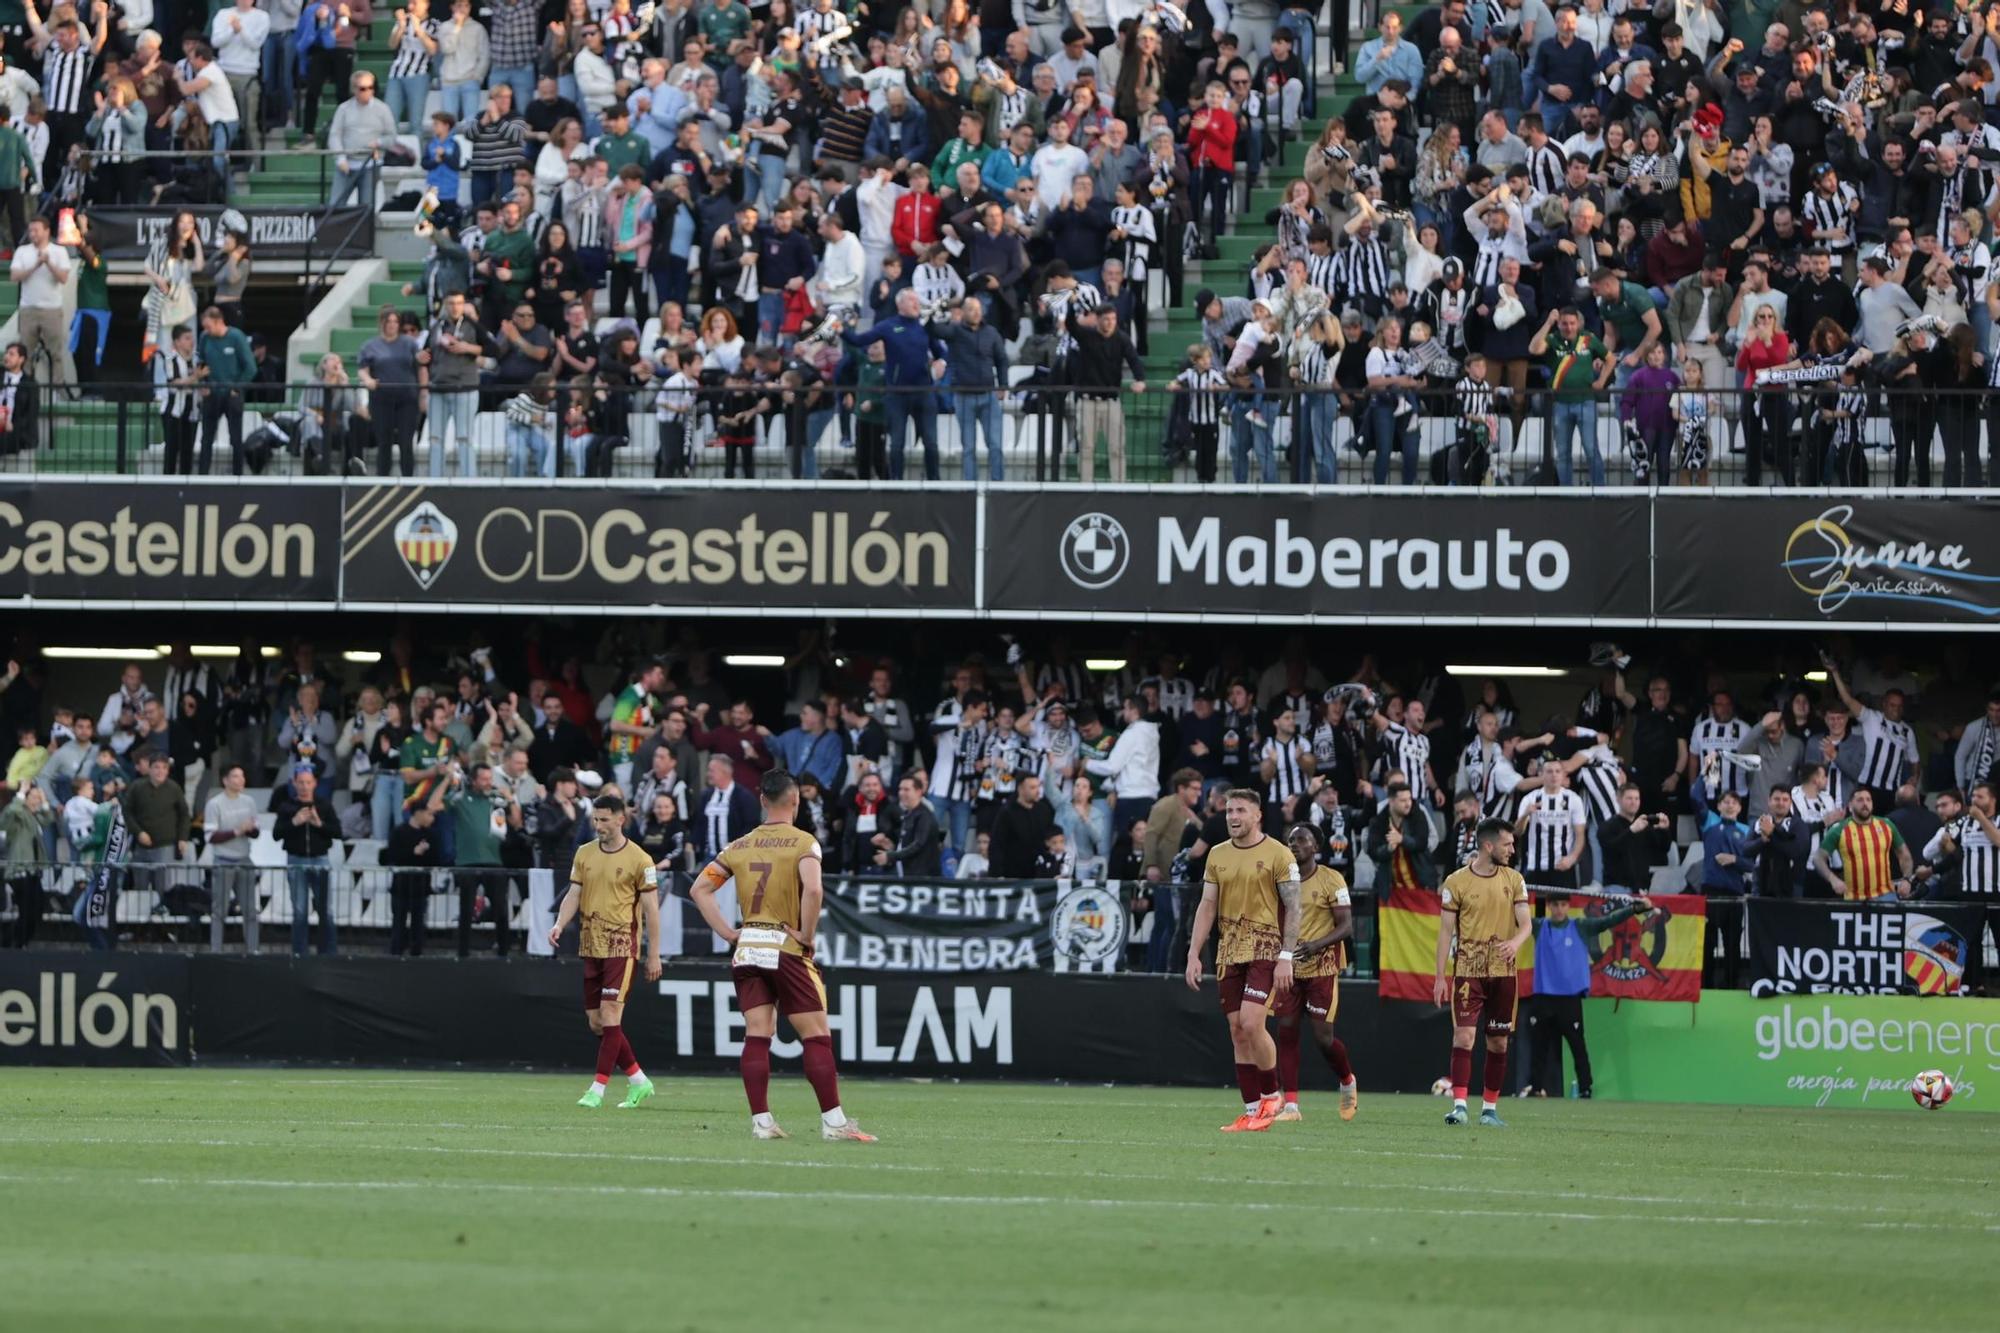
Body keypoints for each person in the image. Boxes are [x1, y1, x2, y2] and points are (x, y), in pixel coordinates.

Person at [688, 770, 875, 1141]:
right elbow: (815, 889)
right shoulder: (804, 842)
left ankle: (762, 1123)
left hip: (748, 949)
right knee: (816, 1035)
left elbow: (699, 889)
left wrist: (728, 932)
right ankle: (835, 1124)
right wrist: (806, 934)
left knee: (758, 1033)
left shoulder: (738, 846)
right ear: (796, 801)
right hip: (784, 947)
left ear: (761, 801)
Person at [1181, 787, 1300, 1134]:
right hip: (1228, 952)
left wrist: (1286, 957)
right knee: (1236, 1030)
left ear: (1257, 815)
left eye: (1240, 811)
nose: (1233, 817)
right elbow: (1207, 905)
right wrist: (1193, 953)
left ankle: (1272, 1094)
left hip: (1265, 949)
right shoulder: (1217, 855)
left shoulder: (1279, 854)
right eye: (1229, 811)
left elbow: (1294, 908)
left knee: (1251, 1023)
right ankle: (1252, 1112)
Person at [547, 793, 661, 1109]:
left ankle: (597, 1089)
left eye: (605, 820)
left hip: (622, 947)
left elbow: (652, 909)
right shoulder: (584, 854)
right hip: (590, 945)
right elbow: (574, 893)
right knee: (597, 1022)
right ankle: (639, 1080)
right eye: (595, 819)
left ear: (621, 819)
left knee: (611, 1013)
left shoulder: (640, 859)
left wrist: (653, 954)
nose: (599, 826)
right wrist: (559, 924)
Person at [1435, 818, 1530, 1127]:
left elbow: (1526, 923)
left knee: (1498, 1043)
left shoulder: (1514, 880)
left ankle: (1489, 1109)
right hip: (1468, 971)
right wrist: (1439, 977)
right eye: (1507, 844)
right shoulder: (1456, 882)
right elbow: (1446, 932)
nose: (1512, 850)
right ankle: (1459, 1106)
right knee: (1463, 1036)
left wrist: (1515, 942)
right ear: (1488, 846)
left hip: (1503, 972)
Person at [1524, 891, 1652, 1097]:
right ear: (1549, 906)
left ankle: (1585, 1088)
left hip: (1569, 998)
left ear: (1568, 907)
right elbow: (1513, 915)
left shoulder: (1580, 927)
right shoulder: (1539, 926)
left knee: (1577, 1046)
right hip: (1544, 997)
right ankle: (1536, 1087)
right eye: (1555, 905)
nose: (1559, 909)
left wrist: (1635, 908)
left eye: (1563, 905)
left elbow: (1608, 920)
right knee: (1539, 1047)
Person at [1271, 823, 1358, 1122]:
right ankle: (1291, 1106)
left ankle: (1347, 1080)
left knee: (1323, 1038)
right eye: (1291, 839)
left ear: (1316, 847)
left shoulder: (1332, 879)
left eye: (1302, 840)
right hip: (1289, 966)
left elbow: (1347, 926)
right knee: (1286, 1030)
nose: (1294, 844)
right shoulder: (1280, 878)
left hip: (1322, 966)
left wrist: (1316, 945)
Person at [272, 765, 339, 956]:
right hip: (296, 860)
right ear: (294, 783)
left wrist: (319, 824)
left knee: (325, 911)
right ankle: (299, 953)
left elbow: (338, 832)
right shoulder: (286, 807)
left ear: (315, 783)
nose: (304, 786)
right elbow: (277, 834)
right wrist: (294, 822)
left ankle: (328, 953)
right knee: (300, 911)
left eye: (308, 782)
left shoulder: (324, 805)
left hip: (320, 860)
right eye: (300, 782)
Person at [1813, 788, 1915, 902]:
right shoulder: (1840, 829)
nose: (1865, 803)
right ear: (1850, 806)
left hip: (1886, 896)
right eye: (1860, 800)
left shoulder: (1886, 825)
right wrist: (1833, 879)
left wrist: (1907, 879)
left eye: (1868, 800)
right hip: (1854, 900)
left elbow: (1904, 855)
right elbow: (1818, 858)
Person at [202, 762, 261, 950]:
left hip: (245, 859)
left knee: (250, 910)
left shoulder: (249, 802)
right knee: (219, 910)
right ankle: (216, 950)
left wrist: (250, 829)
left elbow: (256, 832)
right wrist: (237, 831)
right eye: (236, 776)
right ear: (225, 780)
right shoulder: (214, 804)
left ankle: (253, 949)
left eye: (242, 776)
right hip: (223, 860)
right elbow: (210, 836)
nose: (241, 780)